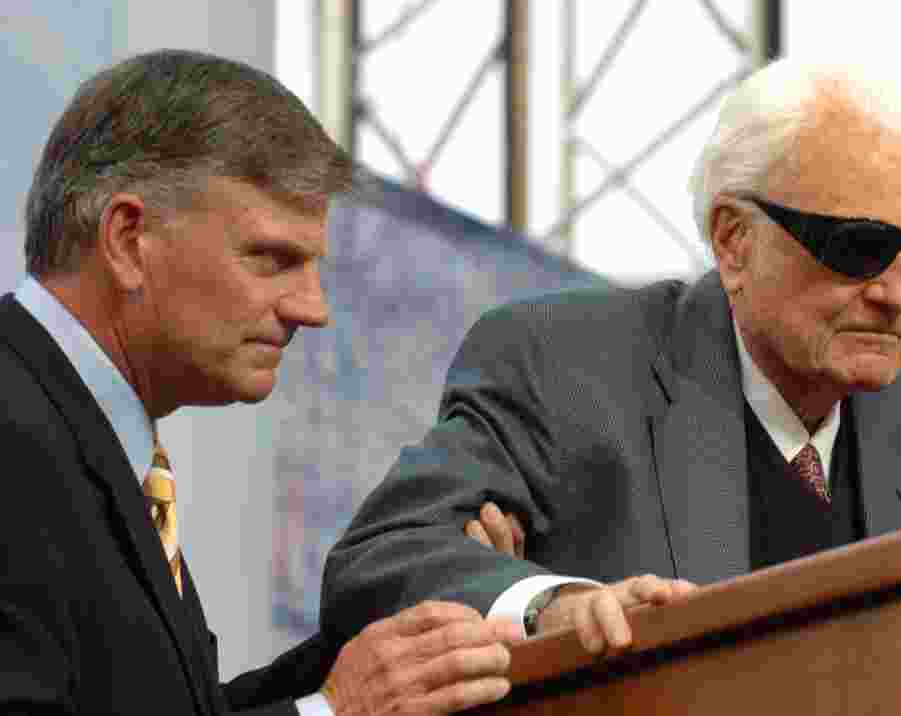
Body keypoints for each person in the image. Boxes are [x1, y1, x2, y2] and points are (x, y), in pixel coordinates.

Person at [319, 59, 901, 658]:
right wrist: (547, 607)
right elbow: (381, 558)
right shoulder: (566, 369)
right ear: (734, 242)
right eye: (859, 247)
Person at [0, 49, 526, 716]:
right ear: (129, 239)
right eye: (272, 259)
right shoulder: (13, 431)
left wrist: (395, 648)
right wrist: (337, 711)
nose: (312, 308)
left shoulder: (76, 431)